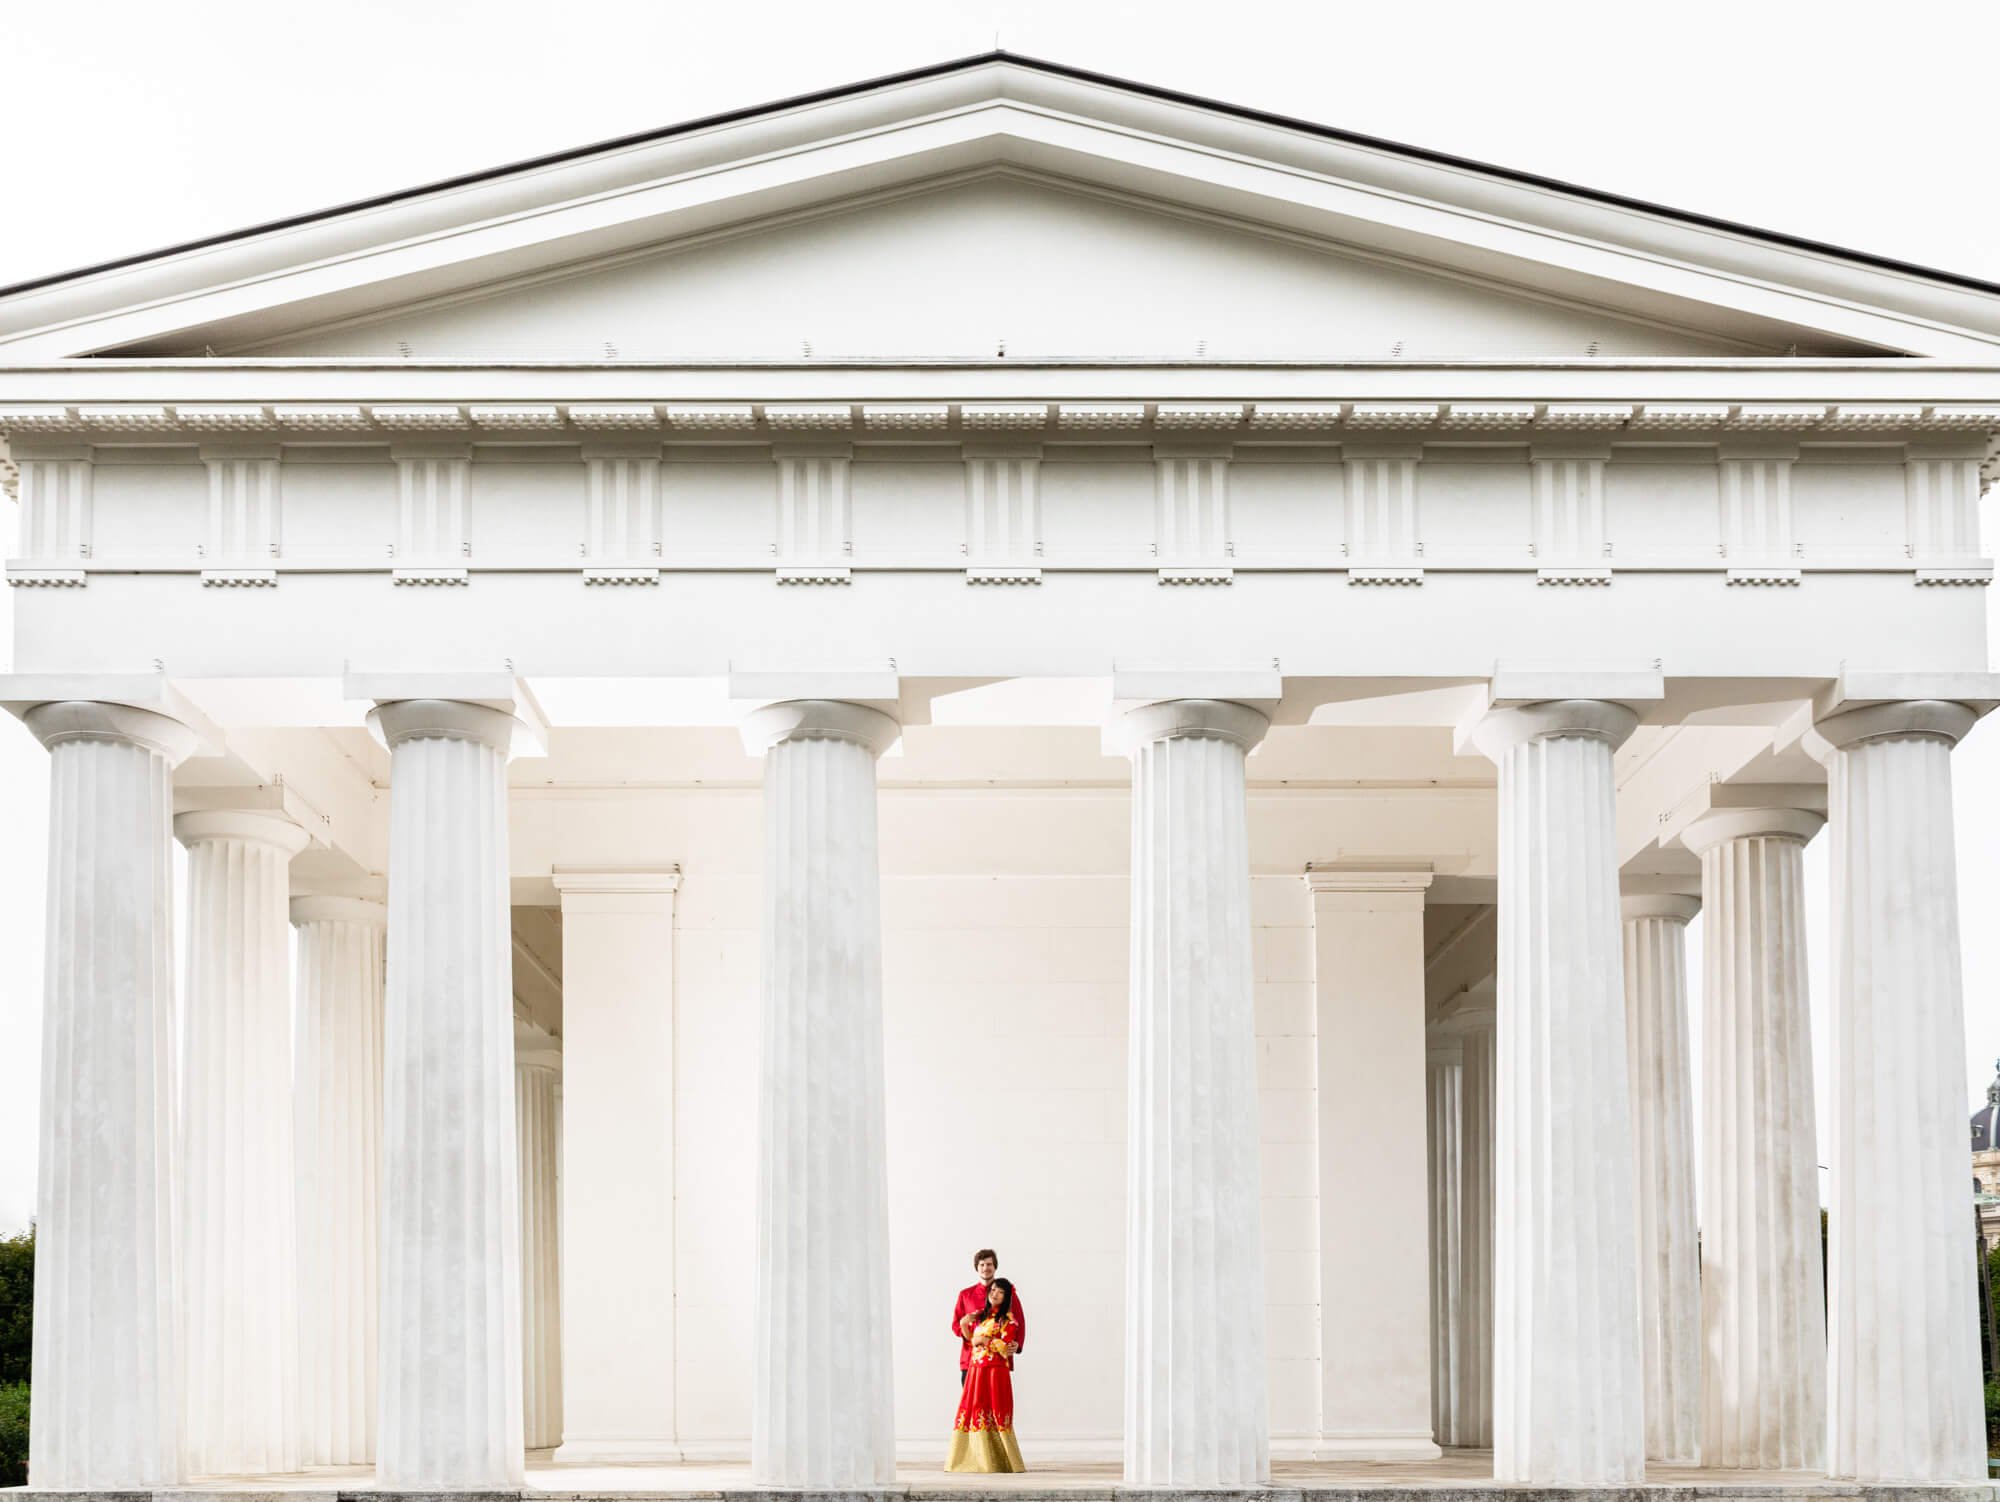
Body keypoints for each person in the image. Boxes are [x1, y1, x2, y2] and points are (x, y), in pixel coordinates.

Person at [946, 1276, 1025, 1472]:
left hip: (995, 1370)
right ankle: (974, 1460)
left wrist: (984, 1340)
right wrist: (968, 1325)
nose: (994, 1293)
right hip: (976, 1369)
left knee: (996, 1409)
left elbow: (1005, 1346)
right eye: (993, 1290)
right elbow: (973, 1339)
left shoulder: (1009, 1320)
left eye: (1000, 1291)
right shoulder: (984, 1317)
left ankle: (1002, 1461)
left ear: (1007, 1297)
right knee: (975, 1408)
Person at [952, 1248, 1025, 1384]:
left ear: (995, 1266)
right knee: (973, 1404)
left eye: (989, 1264)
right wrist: (973, 1336)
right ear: (977, 1268)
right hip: (971, 1359)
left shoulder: (1008, 1293)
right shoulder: (965, 1295)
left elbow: (1019, 1319)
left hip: (998, 1360)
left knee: (997, 1402)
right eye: (982, 1265)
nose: (986, 1268)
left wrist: (1017, 1344)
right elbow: (956, 1324)